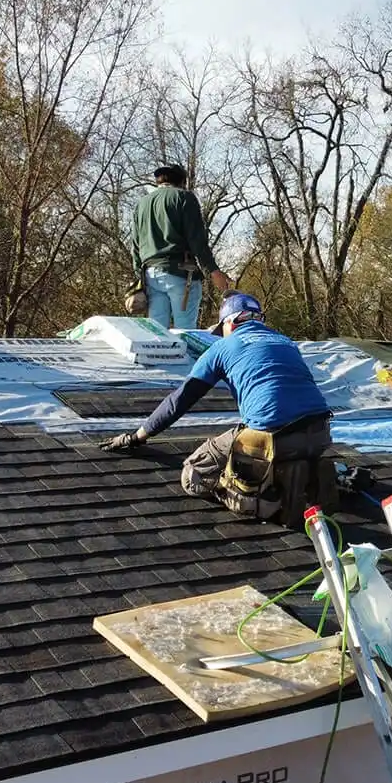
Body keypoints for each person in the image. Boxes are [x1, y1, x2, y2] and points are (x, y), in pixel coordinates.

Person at [98, 291, 336, 524]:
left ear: (229, 323)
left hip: (272, 437)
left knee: (193, 476)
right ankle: (302, 474)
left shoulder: (222, 348)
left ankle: (265, 499)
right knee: (267, 443)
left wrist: (136, 436)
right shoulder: (286, 342)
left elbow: (181, 399)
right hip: (320, 433)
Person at [131, 164, 232, 330]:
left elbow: (135, 246)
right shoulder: (184, 197)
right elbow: (197, 240)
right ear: (182, 182)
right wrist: (213, 271)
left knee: (158, 333)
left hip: (150, 275)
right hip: (180, 273)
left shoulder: (141, 204)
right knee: (185, 332)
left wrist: (139, 277)